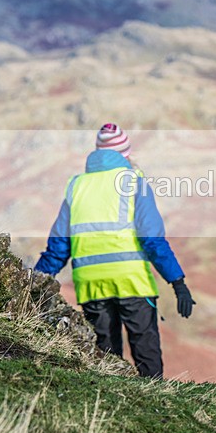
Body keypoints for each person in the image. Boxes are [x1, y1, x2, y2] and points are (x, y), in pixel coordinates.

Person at [34, 123, 195, 378]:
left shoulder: (76, 187)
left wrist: (33, 283)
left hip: (91, 285)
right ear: (125, 154)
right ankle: (153, 409)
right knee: (147, 358)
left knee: (106, 363)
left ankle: (106, 413)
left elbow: (58, 248)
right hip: (132, 282)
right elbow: (152, 240)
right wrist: (177, 282)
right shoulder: (134, 182)